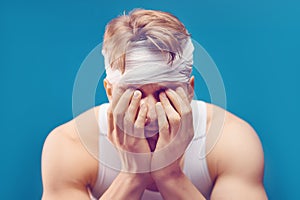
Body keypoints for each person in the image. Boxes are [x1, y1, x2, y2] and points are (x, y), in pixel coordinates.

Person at [41, 9, 267, 200]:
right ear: (110, 91)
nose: (149, 112)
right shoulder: (70, 144)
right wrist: (132, 175)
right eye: (134, 93)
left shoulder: (231, 139)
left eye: (163, 92)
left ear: (189, 90)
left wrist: (170, 175)